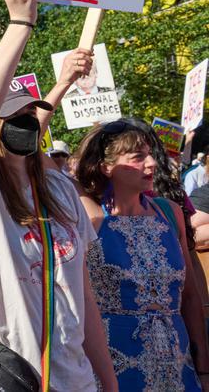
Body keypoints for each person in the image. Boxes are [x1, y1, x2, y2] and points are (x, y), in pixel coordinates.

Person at [0, 0, 116, 391]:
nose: (25, 122)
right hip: (1, 376)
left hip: (72, 378)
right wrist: (20, 23)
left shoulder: (58, 188)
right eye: (13, 117)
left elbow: (82, 296)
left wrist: (107, 379)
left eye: (28, 114)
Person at [76, 120, 209, 390]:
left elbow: (191, 296)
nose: (151, 163)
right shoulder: (89, 215)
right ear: (106, 166)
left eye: (149, 154)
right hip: (115, 368)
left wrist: (204, 369)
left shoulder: (169, 212)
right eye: (138, 157)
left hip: (178, 366)